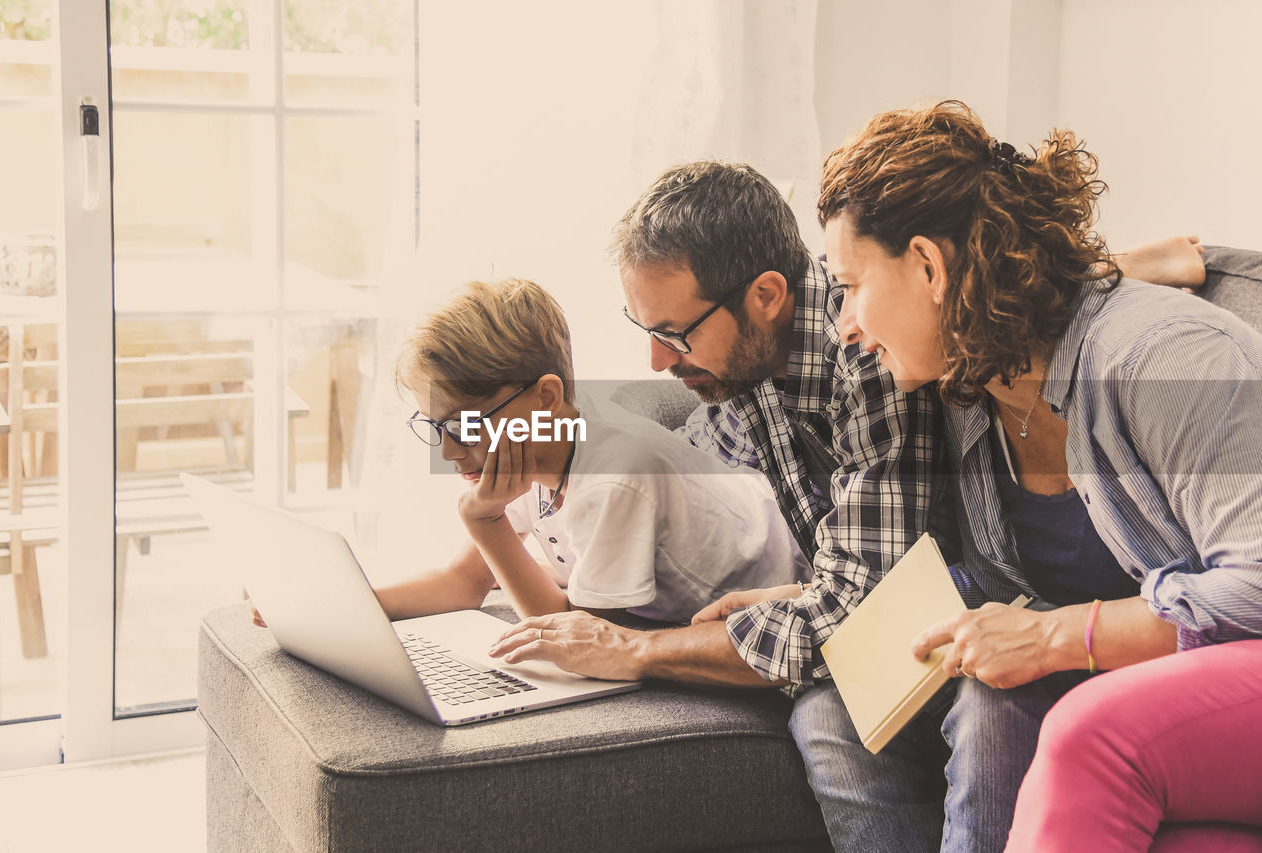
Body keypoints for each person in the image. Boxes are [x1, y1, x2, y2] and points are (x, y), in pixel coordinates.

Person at [488, 159, 1209, 851]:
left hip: (963, 599)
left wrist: (640, 650)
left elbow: (851, 609)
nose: (657, 360)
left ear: (767, 295)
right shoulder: (752, 369)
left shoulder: (874, 350)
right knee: (829, 722)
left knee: (936, 711)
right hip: (919, 592)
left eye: (673, 333)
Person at [815, 100, 1262, 851]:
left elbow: (1256, 586)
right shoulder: (972, 388)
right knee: (915, 706)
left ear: (928, 264)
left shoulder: (1167, 357)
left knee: (1081, 725)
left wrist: (1057, 636)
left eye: (851, 284)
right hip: (1171, 710)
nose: (845, 324)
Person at [384, 277, 808, 625]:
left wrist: (484, 521)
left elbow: (574, 640)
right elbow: (460, 583)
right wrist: (347, 611)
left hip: (794, 592)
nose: (449, 453)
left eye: (465, 426)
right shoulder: (535, 446)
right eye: (436, 427)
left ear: (546, 398)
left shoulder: (615, 475)